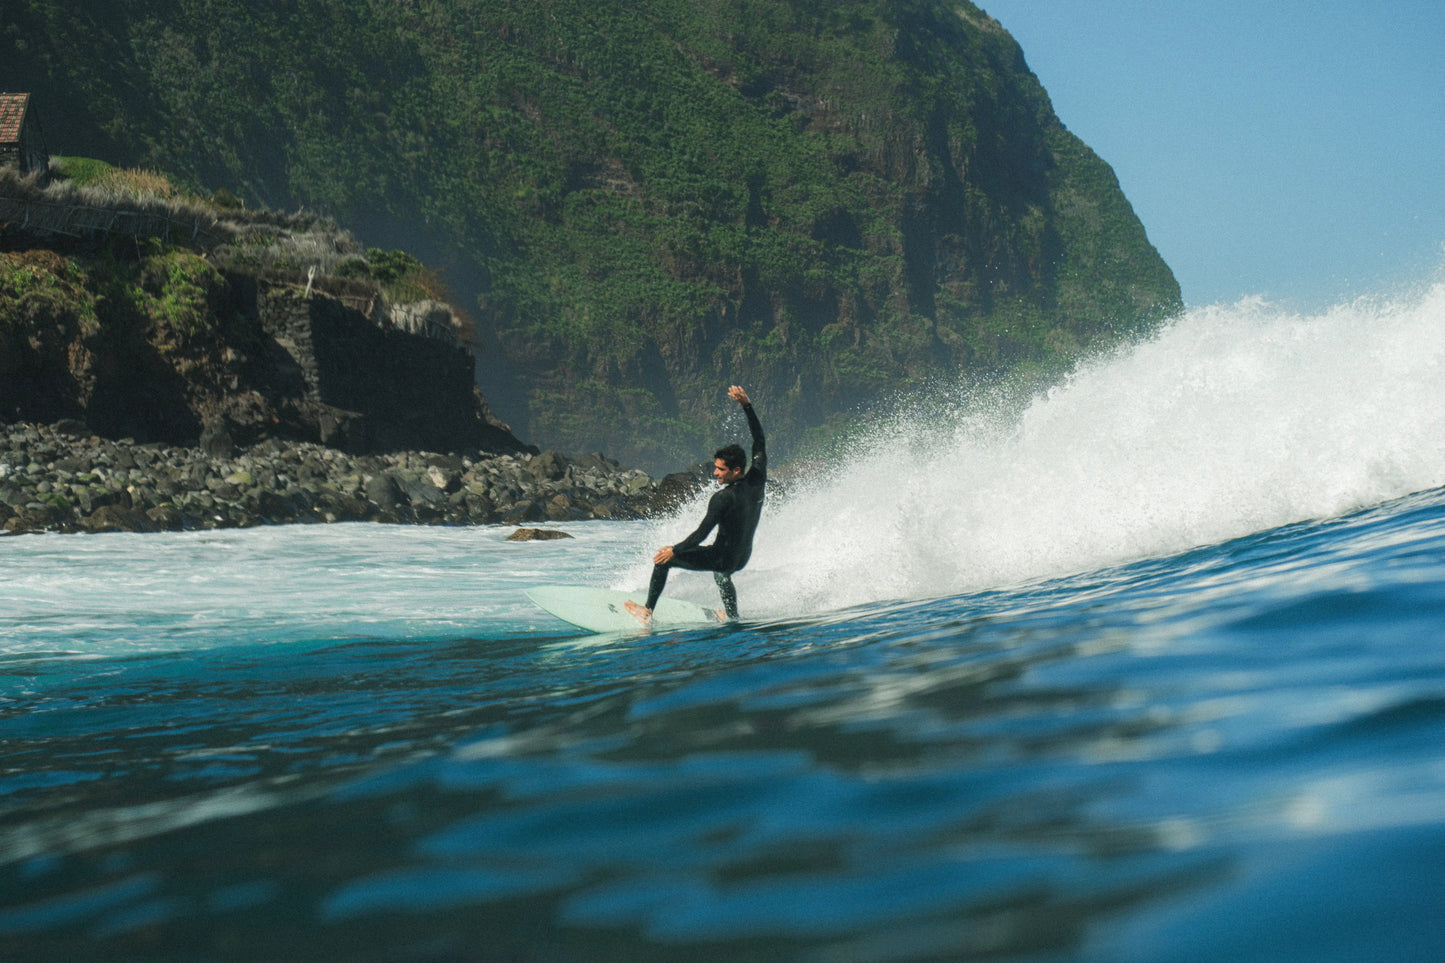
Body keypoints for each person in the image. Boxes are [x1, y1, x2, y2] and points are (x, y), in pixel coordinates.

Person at [626, 385, 766, 625]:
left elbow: (701, 534)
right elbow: (759, 440)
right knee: (722, 576)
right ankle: (732, 616)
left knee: (663, 560)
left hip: (722, 557)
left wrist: (675, 550)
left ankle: (647, 610)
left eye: (720, 469)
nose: (715, 473)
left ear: (735, 470)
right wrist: (747, 405)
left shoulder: (723, 498)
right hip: (742, 557)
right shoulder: (758, 478)